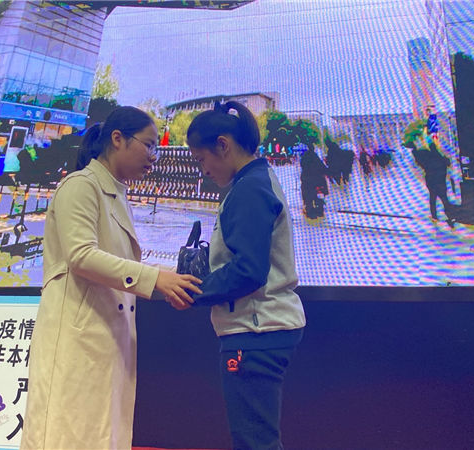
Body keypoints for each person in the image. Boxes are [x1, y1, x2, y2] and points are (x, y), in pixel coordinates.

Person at [21, 106, 202, 450]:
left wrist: (167, 281)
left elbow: (120, 266)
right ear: (118, 139)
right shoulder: (80, 186)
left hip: (106, 340)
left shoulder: (118, 195)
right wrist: (156, 278)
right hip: (77, 341)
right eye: (149, 145)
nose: (154, 156)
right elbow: (81, 256)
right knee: (66, 435)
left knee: (101, 435)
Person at [184, 101, 306, 450]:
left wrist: (192, 290)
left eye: (202, 159)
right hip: (263, 329)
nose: (204, 170)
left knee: (254, 441)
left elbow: (249, 270)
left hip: (256, 332)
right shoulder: (255, 180)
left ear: (223, 145)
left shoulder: (249, 188)